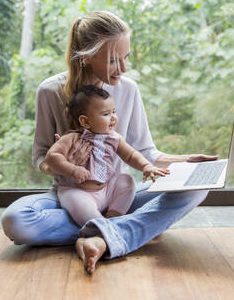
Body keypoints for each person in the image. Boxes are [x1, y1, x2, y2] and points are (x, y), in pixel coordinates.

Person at [1, 10, 218, 275]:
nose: (124, 68)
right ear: (88, 56)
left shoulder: (128, 90)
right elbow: (40, 159)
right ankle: (126, 230)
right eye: (114, 60)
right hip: (71, 195)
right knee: (16, 220)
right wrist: (65, 166)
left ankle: (101, 235)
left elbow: (145, 152)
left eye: (126, 58)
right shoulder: (50, 91)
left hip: (117, 196)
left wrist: (186, 161)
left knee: (197, 188)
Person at [45, 85, 169, 227]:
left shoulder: (114, 138)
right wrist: (72, 170)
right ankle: (99, 225)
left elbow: (131, 155)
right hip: (78, 190)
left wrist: (146, 166)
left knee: (126, 181)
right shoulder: (72, 138)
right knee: (78, 203)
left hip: (106, 190)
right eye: (106, 114)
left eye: (114, 112)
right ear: (85, 121)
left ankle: (114, 216)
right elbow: (52, 156)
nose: (113, 118)